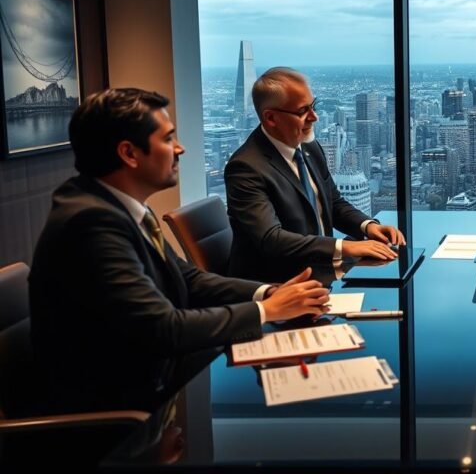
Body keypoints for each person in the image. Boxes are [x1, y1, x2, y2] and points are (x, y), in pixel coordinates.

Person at [28, 88, 329, 415]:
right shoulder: (90, 222)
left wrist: (269, 292)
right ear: (129, 153)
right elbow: (161, 329)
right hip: (119, 417)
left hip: (159, 381)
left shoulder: (120, 207)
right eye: (168, 139)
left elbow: (188, 279)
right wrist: (267, 312)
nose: (180, 148)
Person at [225, 67, 405, 282]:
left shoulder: (310, 148)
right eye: (302, 111)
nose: (315, 117)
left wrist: (368, 226)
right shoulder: (246, 168)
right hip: (278, 286)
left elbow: (333, 202)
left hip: (320, 273)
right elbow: (271, 239)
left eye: (313, 106)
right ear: (271, 118)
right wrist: (347, 247)